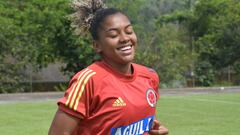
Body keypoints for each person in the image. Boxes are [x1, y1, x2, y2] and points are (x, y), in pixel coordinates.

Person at [48, 0, 168, 135]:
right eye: (113, 35)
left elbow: (141, 122)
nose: (124, 38)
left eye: (129, 31)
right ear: (97, 45)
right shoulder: (88, 81)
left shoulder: (149, 76)